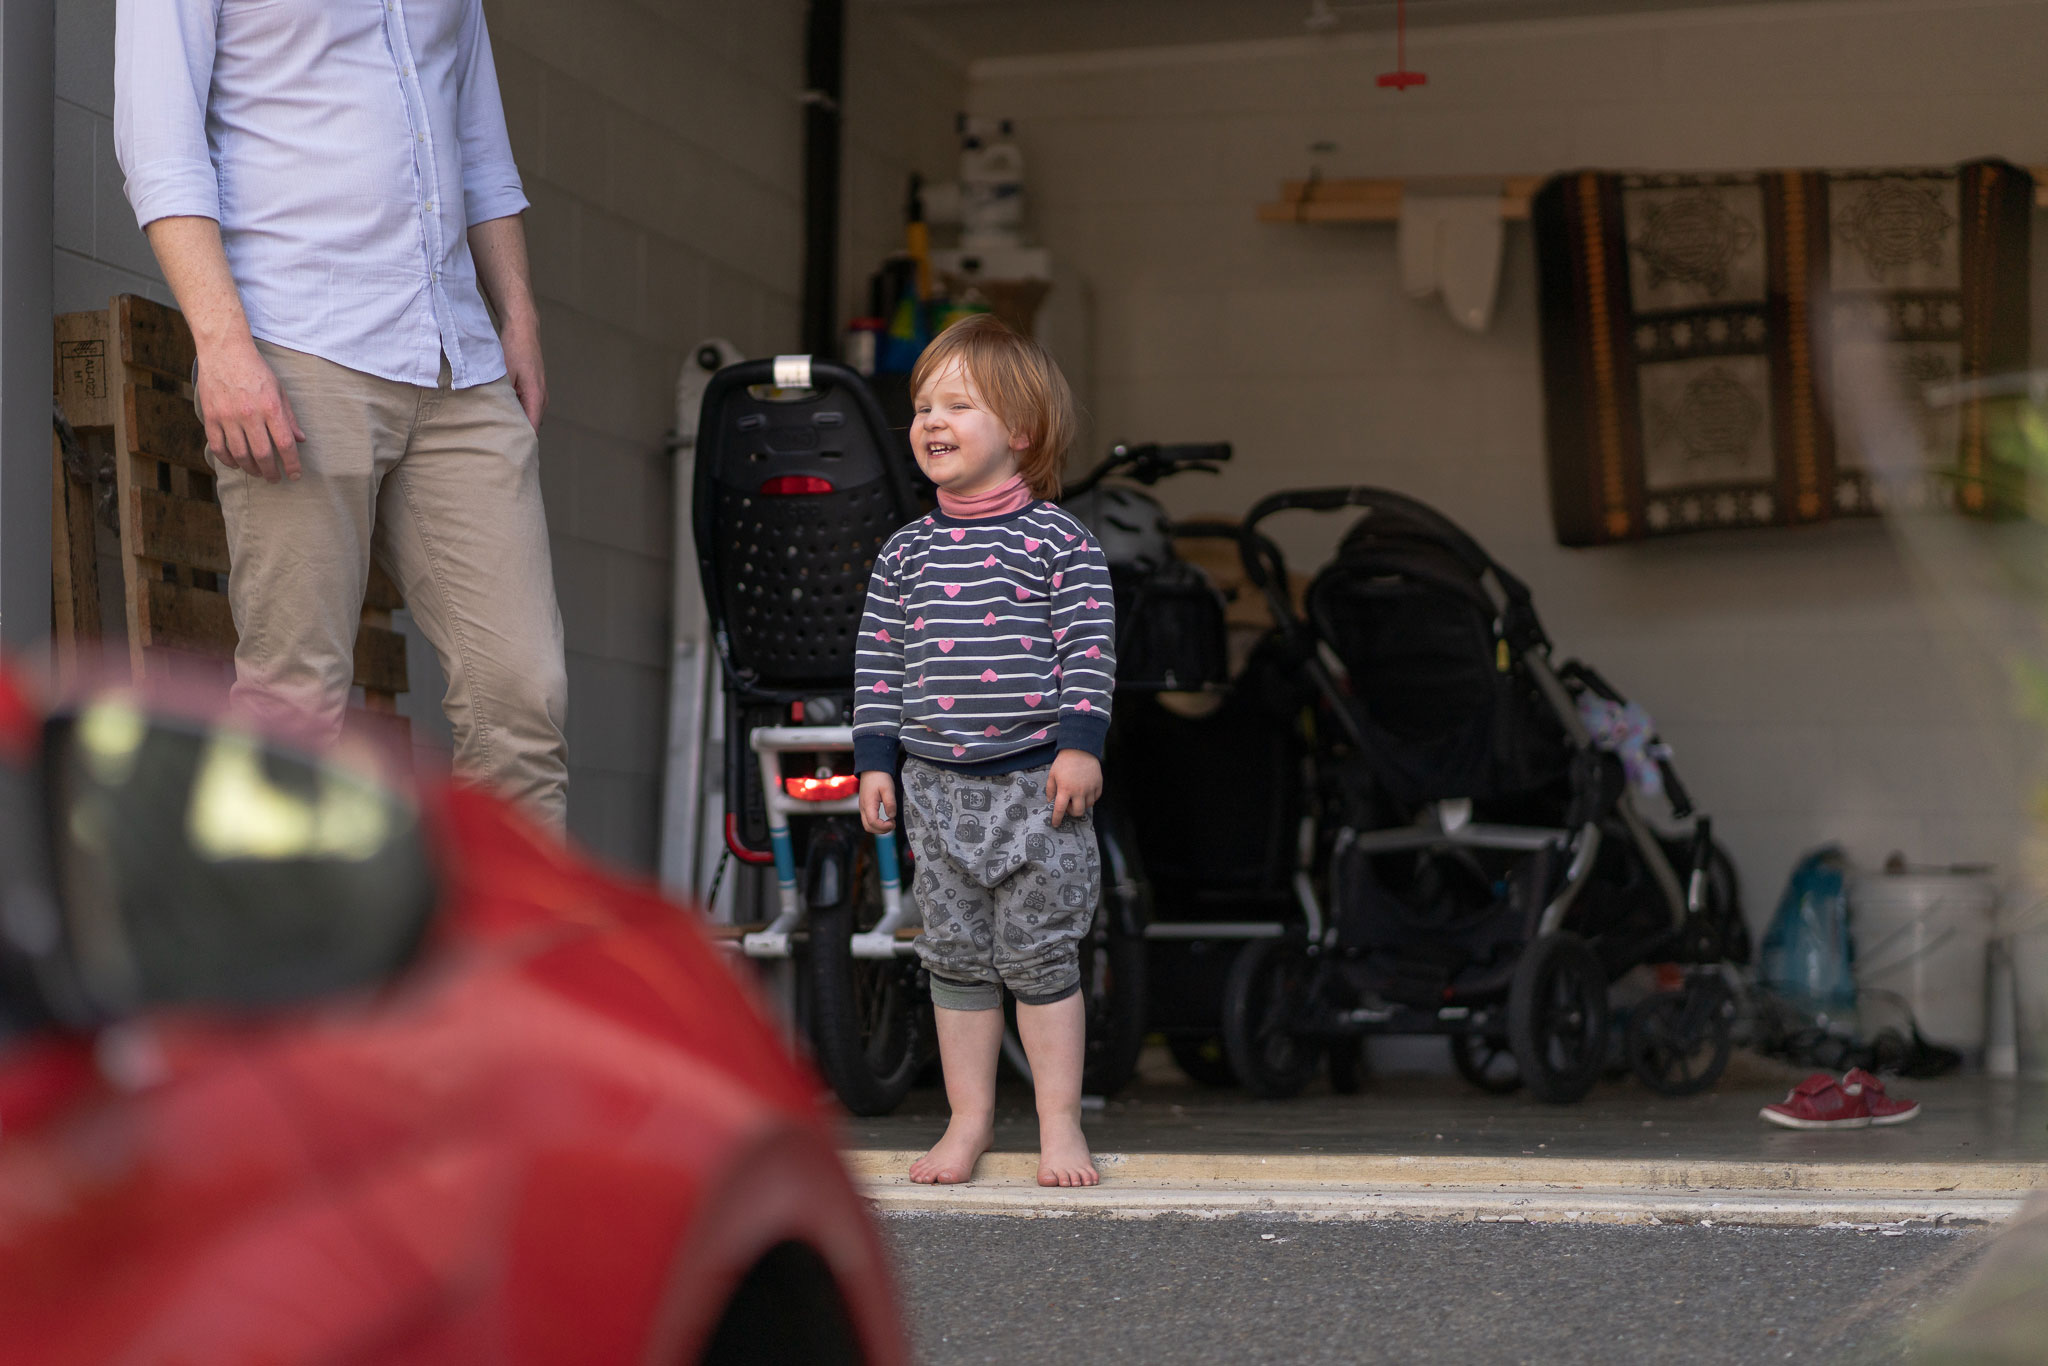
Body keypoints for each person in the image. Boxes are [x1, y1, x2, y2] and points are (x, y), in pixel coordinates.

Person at [114, 0, 569, 828]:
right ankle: (275, 955)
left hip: (457, 358)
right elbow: (159, 147)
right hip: (299, 345)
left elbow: (480, 144)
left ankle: (504, 956)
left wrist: (521, 318)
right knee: (294, 705)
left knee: (522, 700)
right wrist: (221, 345)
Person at [853, 315, 1115, 1188]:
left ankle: (1058, 1123)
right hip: (935, 789)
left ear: (1021, 432)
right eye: (924, 403)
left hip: (1035, 787)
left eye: (958, 404)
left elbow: (1088, 650)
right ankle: (967, 1122)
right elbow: (879, 662)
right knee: (955, 958)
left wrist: (1081, 748)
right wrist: (877, 758)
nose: (931, 419)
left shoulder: (1059, 542)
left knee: (1039, 957)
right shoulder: (904, 553)